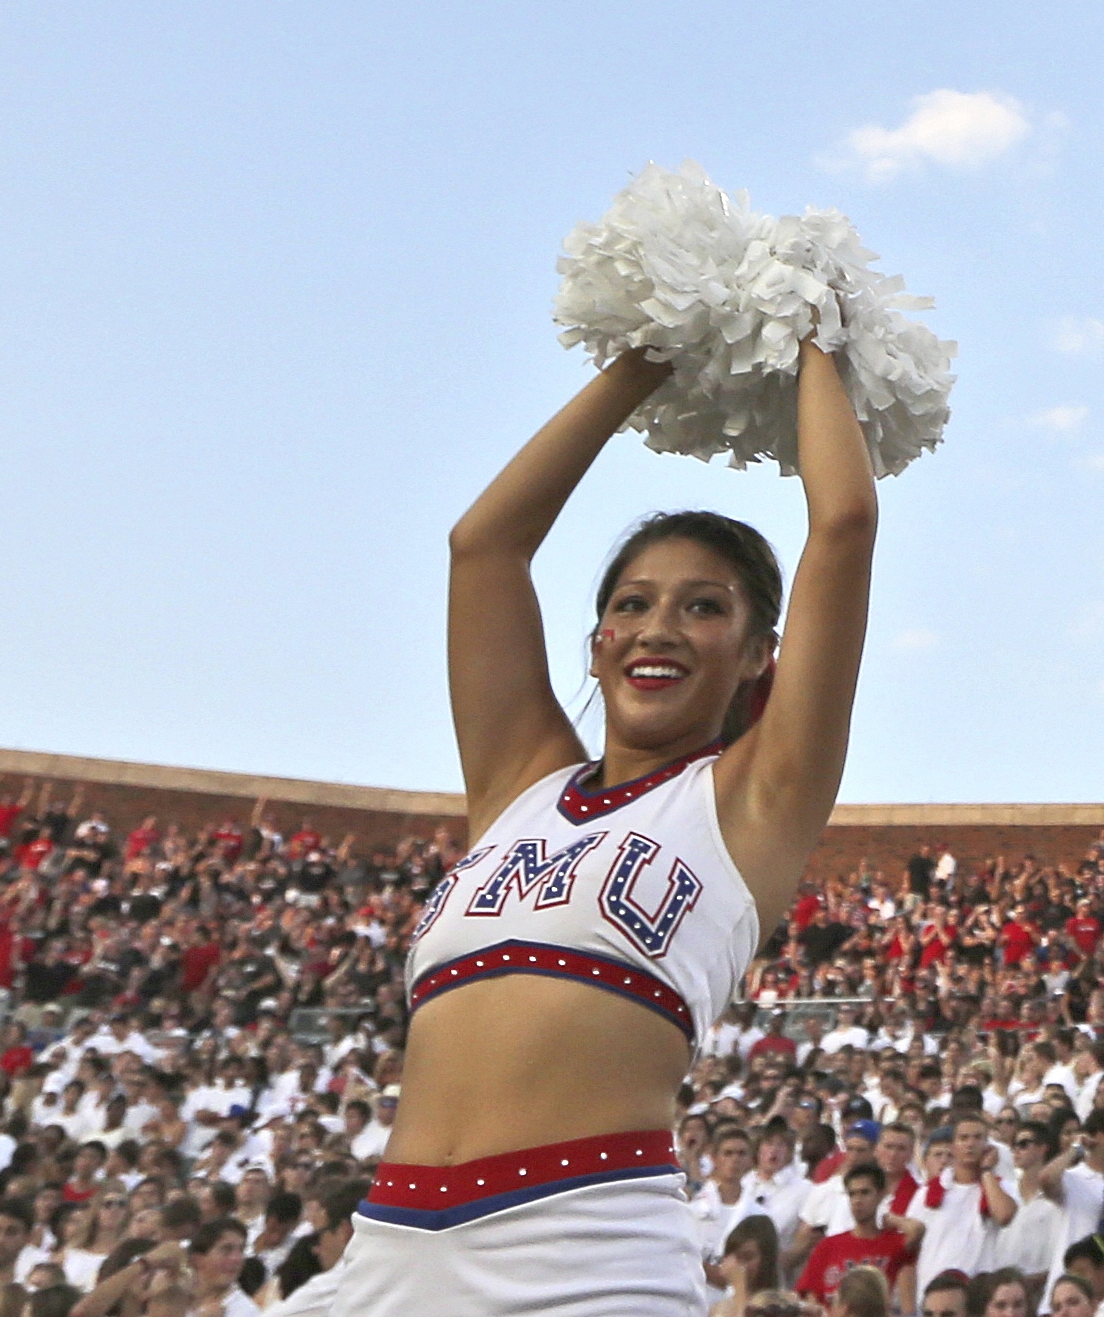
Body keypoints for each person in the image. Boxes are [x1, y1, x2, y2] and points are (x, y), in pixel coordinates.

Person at [319, 339, 887, 1315]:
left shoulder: (751, 800)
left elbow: (843, 521)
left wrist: (803, 334)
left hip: (585, 1254)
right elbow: (483, 547)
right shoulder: (518, 783)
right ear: (597, 644)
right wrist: (645, 357)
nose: (659, 626)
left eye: (703, 608)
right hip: (388, 1247)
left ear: (758, 655)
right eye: (633, 604)